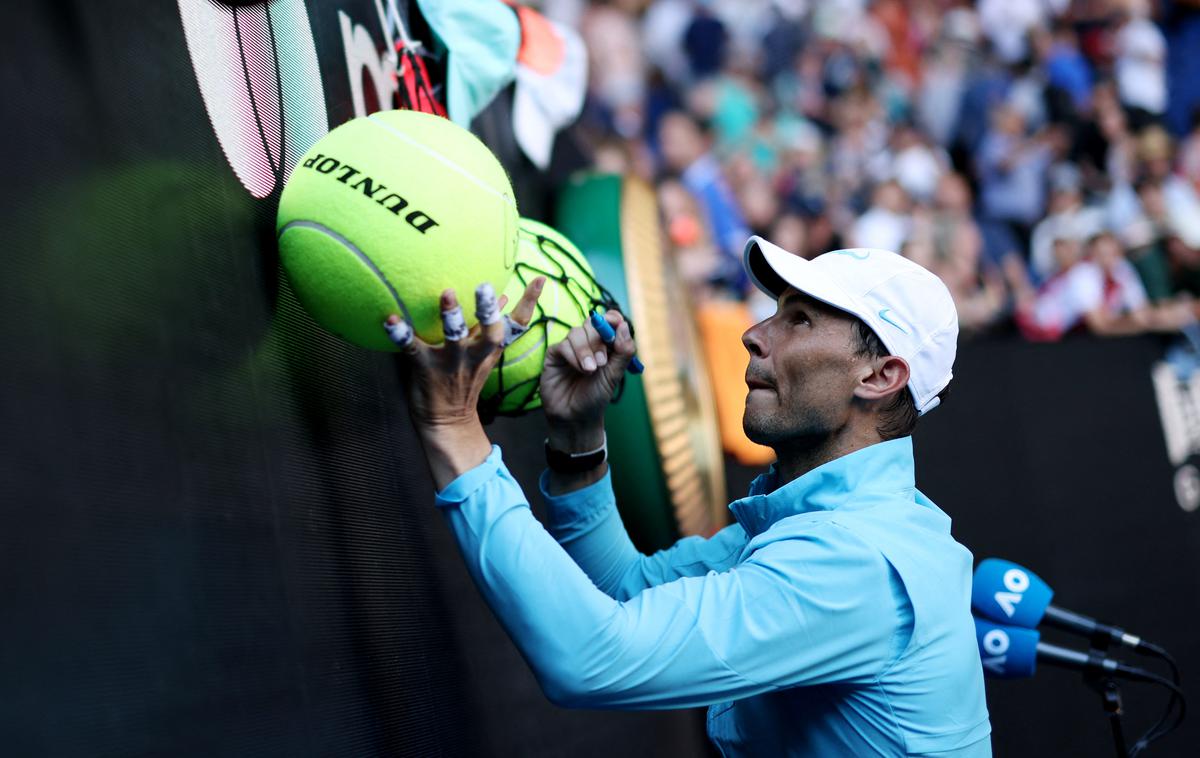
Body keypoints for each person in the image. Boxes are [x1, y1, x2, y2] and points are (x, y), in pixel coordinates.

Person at [388, 238, 992, 756]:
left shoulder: (856, 558)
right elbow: (619, 592)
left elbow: (589, 657)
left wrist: (454, 432)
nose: (753, 335)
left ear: (879, 377)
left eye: (800, 320)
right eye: (774, 312)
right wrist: (578, 440)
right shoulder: (829, 518)